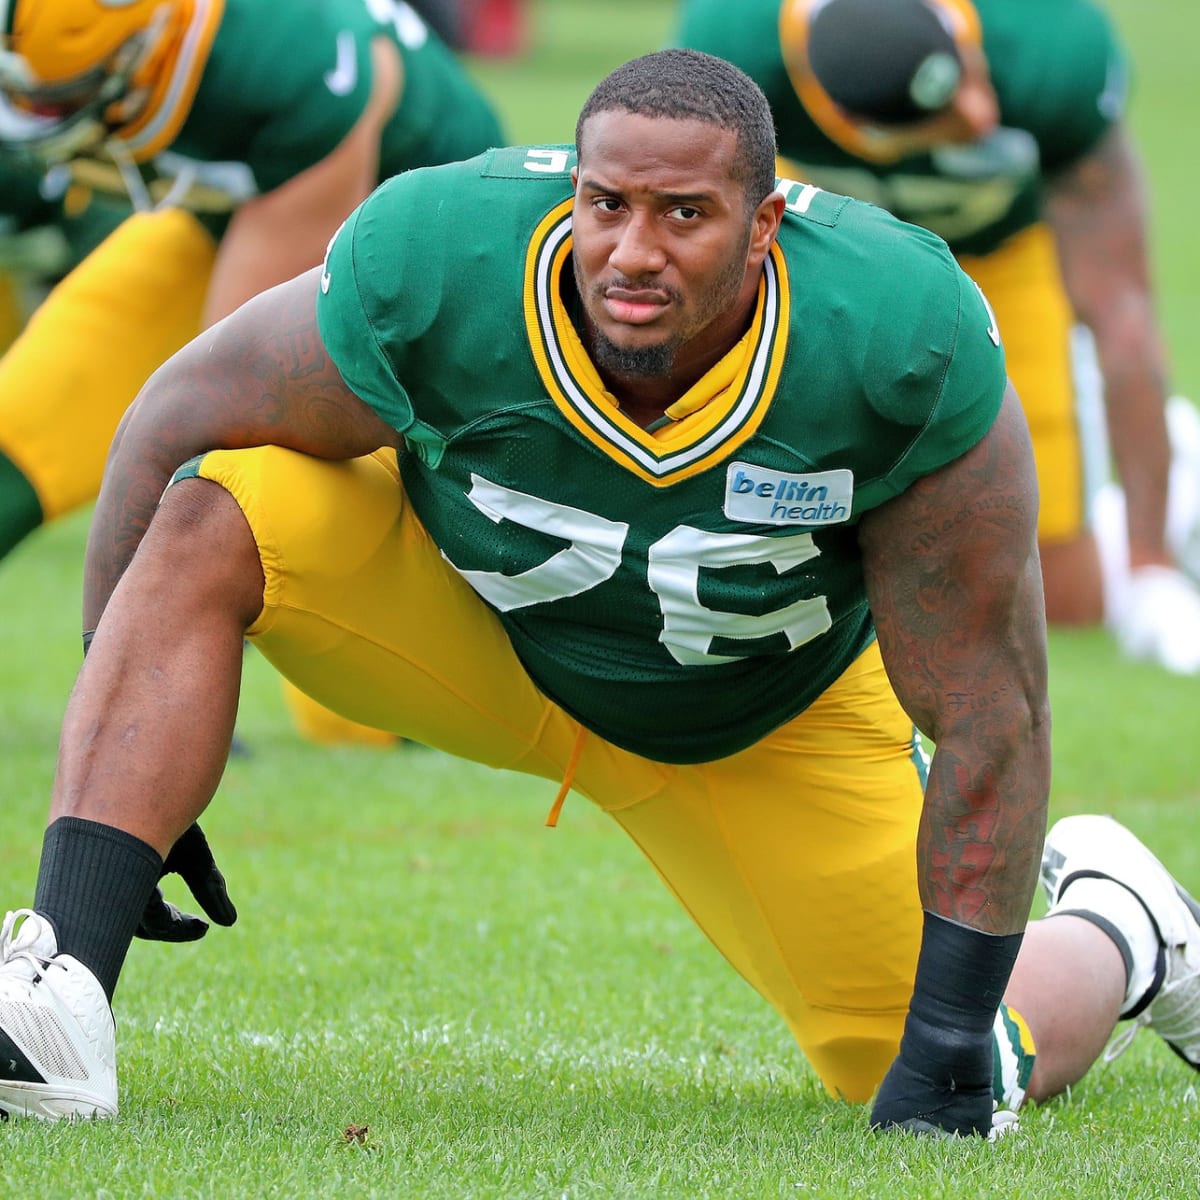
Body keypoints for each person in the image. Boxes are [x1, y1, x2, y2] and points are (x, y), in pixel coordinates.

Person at [0, 48, 1196, 1138]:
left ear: (766, 223)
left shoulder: (895, 336)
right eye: (607, 205)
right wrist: (125, 755)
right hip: (477, 637)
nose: (632, 251)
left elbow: (991, 705)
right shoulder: (445, 252)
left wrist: (945, 1041)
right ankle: (61, 993)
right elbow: (172, 419)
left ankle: (1120, 929)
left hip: (759, 720)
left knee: (937, 1060)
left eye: (686, 215)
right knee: (226, 496)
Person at [0, 0, 505, 746]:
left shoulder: (284, 66)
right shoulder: (158, 47)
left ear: (147, 45)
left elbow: (226, 398)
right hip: (231, 208)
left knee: (350, 707)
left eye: (48, 96)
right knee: (27, 423)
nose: (31, 112)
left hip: (400, 266)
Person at [675, 0, 1200, 675]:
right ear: (844, 118)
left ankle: (1177, 481)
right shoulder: (736, 51)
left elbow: (1122, 312)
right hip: (837, 257)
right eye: (943, 115)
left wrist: (1148, 567)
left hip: (1005, 256)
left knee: (1056, 599)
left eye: (968, 77)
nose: (981, 115)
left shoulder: (1046, 43)